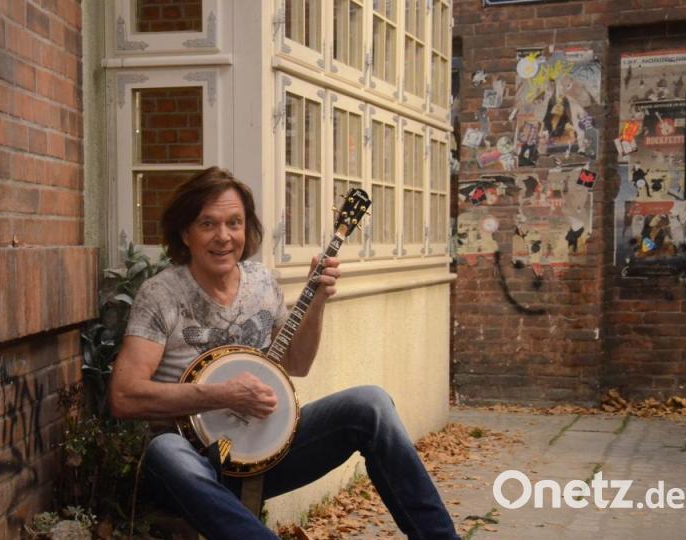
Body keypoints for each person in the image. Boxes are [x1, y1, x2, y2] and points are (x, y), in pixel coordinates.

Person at [109, 167, 459, 540]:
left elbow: (297, 363)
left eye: (234, 223)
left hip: (264, 457)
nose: (223, 237)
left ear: (247, 229)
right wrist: (220, 395)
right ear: (185, 233)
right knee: (165, 451)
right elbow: (123, 396)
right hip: (193, 467)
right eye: (207, 224)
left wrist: (318, 300)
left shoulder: (261, 282)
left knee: (371, 405)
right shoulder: (161, 295)